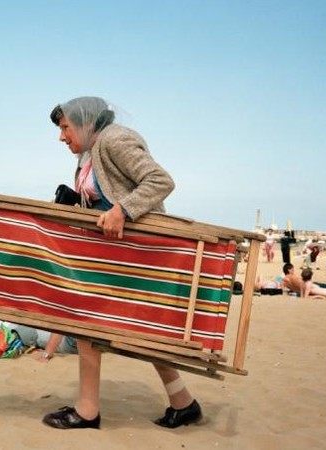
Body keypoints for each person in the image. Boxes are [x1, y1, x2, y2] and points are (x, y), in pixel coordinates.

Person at [42, 96, 201, 430]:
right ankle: (184, 403)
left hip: (138, 253)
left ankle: (87, 412)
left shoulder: (114, 139)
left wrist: (122, 210)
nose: (61, 136)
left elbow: (161, 181)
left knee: (87, 323)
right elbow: (105, 197)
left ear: (85, 123)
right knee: (140, 329)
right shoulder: (90, 151)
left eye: (65, 127)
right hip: (116, 255)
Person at [10, 326, 78, 361]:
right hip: (83, 346)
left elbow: (59, 327)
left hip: (71, 343)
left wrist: (46, 356)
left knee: (28, 331)